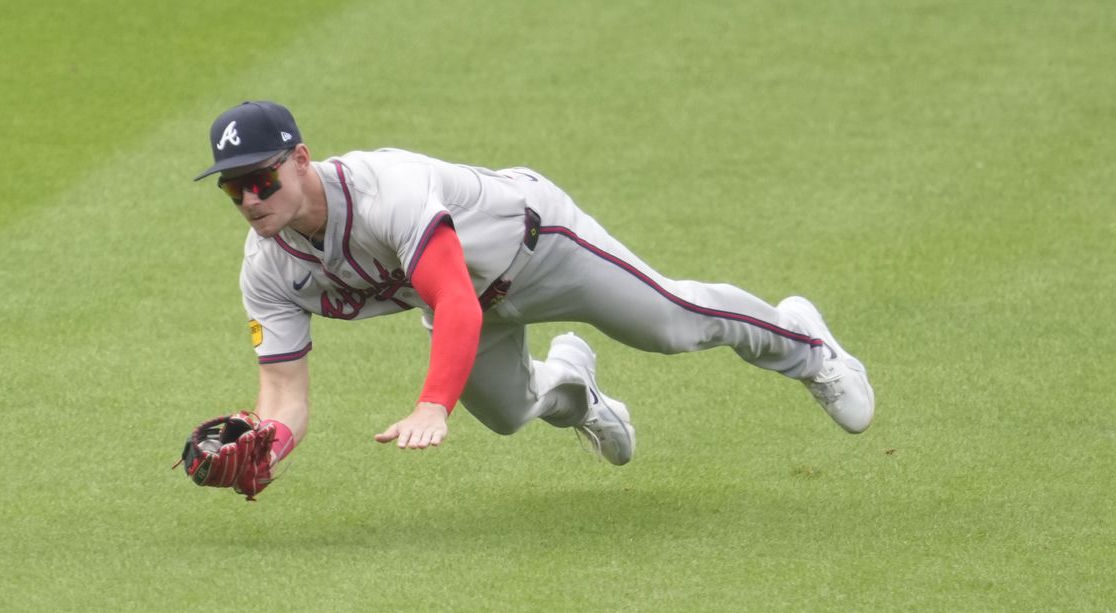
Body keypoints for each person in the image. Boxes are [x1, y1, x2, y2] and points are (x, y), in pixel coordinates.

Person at [187, 100, 875, 497]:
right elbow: (281, 393)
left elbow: (455, 300)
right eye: (231, 186)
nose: (248, 198)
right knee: (514, 413)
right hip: (470, 304)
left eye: (262, 179)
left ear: (301, 159)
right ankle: (580, 389)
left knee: (675, 324)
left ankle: (808, 347)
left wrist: (434, 403)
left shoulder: (383, 192)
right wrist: (269, 447)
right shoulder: (267, 269)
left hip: (543, 249)